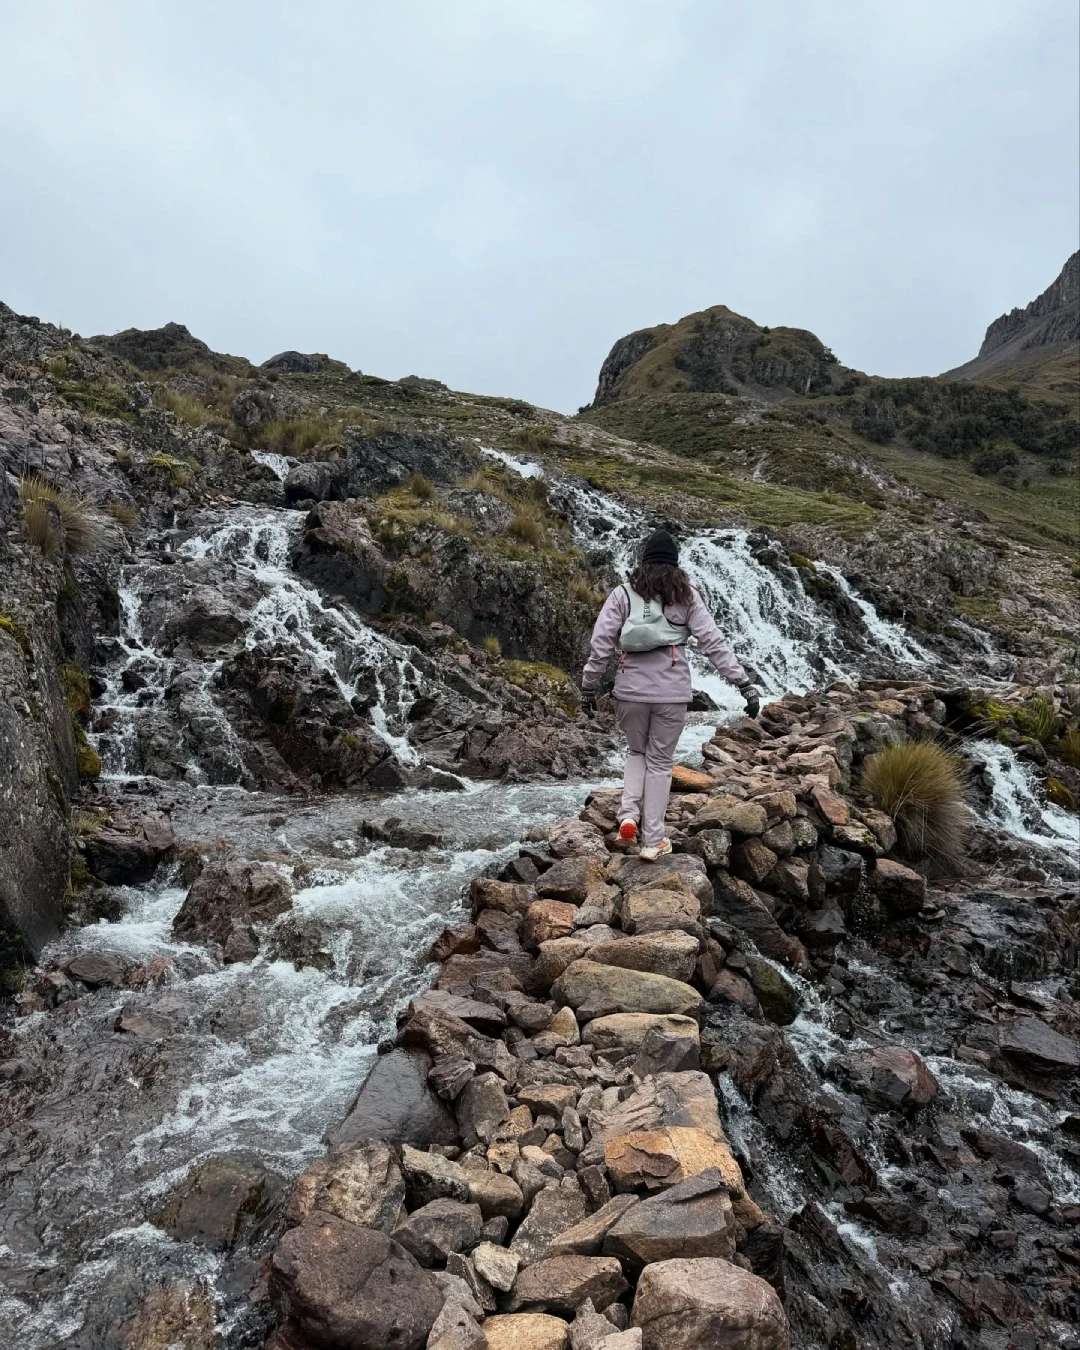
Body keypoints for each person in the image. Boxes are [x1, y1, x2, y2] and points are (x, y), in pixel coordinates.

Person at [580, 528, 760, 861]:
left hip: (630, 692)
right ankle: (653, 841)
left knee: (636, 752)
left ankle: (628, 816)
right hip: (671, 694)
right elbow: (713, 643)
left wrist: (588, 688)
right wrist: (743, 683)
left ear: (643, 562)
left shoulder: (622, 594)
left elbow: (601, 644)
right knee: (660, 763)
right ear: (675, 564)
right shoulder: (687, 596)